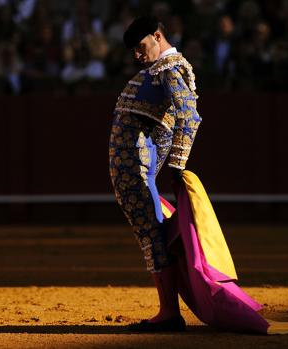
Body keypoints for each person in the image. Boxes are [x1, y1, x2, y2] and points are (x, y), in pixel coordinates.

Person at [108, 16, 201, 332]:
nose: (137, 55)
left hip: (139, 171)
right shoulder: (160, 71)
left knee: (152, 234)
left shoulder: (170, 69)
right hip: (136, 171)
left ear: (157, 35)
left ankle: (169, 313)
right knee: (151, 232)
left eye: (140, 46)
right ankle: (168, 311)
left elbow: (190, 115)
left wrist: (177, 163)